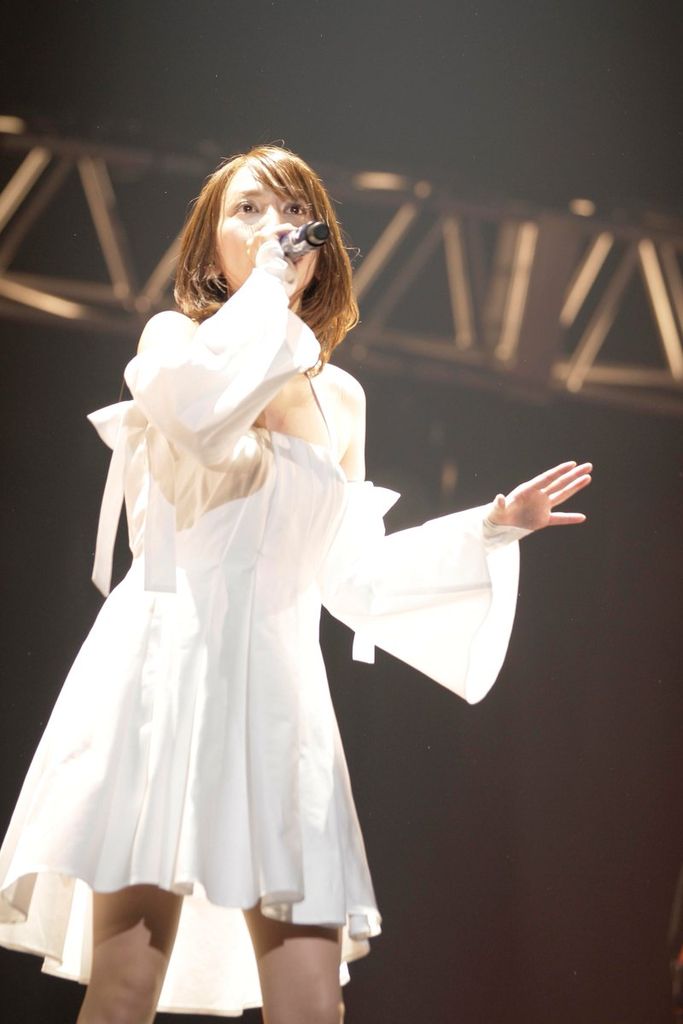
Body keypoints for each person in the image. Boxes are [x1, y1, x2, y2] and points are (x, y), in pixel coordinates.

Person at [0, 145, 592, 1024]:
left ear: (321, 246)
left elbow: (352, 575)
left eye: (291, 211)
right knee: (126, 984)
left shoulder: (340, 399)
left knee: (312, 1000)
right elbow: (200, 420)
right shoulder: (174, 344)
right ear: (210, 250)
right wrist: (269, 293)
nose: (272, 225)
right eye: (246, 210)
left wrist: (489, 526)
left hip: (280, 695)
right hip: (166, 675)